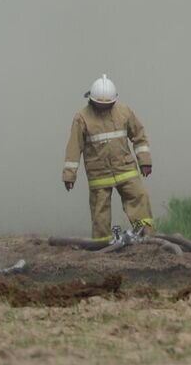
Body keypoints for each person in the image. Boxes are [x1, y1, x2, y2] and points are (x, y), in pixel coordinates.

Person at [63, 74, 154, 242]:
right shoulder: (82, 118)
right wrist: (69, 175)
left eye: (108, 105)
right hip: (99, 174)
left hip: (126, 169)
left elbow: (139, 136)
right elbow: (74, 148)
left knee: (139, 197)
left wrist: (145, 161)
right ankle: (102, 246)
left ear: (114, 101)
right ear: (91, 100)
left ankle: (146, 238)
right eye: (100, 105)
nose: (104, 109)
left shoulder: (124, 112)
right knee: (100, 213)